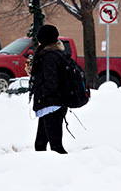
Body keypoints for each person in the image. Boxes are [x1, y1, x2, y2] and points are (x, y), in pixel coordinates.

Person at [28, 24, 68, 154]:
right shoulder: (55, 54)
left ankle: (70, 165)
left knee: (55, 146)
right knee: (40, 144)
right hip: (51, 104)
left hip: (52, 104)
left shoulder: (49, 56)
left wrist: (40, 92)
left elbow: (52, 82)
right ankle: (43, 166)